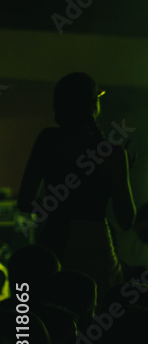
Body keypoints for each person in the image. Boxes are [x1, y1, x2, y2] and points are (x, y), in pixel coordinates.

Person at [17, 72, 135, 288]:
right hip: (97, 244)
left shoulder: (48, 139)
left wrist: (57, 204)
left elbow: (25, 201)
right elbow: (127, 220)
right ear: (93, 105)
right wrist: (120, 177)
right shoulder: (113, 153)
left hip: (54, 240)